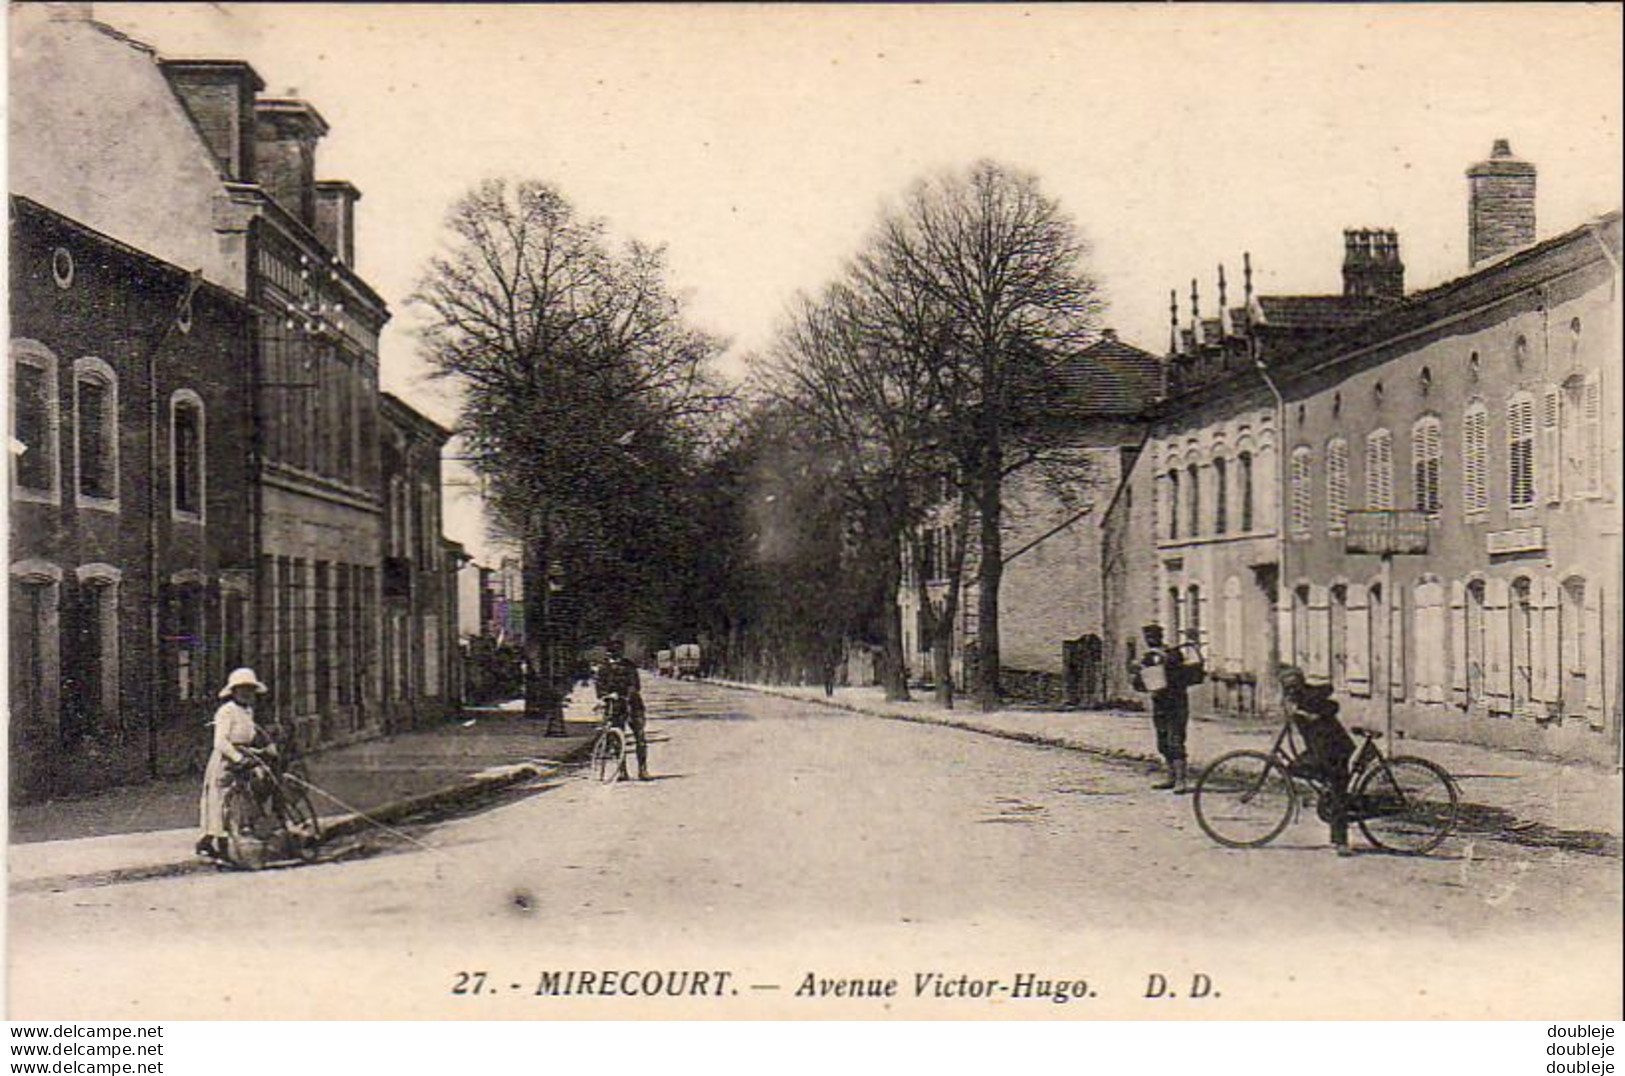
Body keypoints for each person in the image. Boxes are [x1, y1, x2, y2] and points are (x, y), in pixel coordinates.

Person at [1278, 665, 1358, 857]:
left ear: (1299, 684)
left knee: (1338, 790)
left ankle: (1341, 842)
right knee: (1297, 768)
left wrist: (1314, 713)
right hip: (1320, 749)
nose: (1290, 690)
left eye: (1292, 686)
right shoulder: (1296, 701)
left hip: (1335, 750)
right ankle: (1327, 802)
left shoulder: (1308, 697)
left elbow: (1330, 701)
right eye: (1286, 687)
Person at [197, 667, 270, 860]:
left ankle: (219, 841)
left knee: (242, 801)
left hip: (243, 759)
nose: (246, 693)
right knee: (221, 802)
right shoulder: (226, 711)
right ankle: (220, 847)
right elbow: (220, 741)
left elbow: (248, 738)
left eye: (250, 689)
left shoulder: (247, 711)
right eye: (242, 688)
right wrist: (238, 758)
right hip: (225, 761)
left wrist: (259, 751)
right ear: (234, 691)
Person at [1129, 624, 1201, 793]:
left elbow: (1182, 676)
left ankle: (1181, 780)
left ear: (1160, 637)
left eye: (1153, 637)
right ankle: (1170, 777)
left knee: (1176, 740)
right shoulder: (1148, 657)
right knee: (1162, 741)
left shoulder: (1173, 654)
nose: (1150, 640)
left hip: (1176, 703)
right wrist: (1139, 673)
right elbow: (1140, 684)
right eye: (1148, 638)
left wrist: (1166, 666)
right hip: (1160, 704)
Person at [594, 640, 650, 780]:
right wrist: (607, 695)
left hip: (633, 704)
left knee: (640, 737)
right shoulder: (603, 669)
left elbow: (635, 685)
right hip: (614, 707)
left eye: (618, 651)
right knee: (617, 739)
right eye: (612, 651)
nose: (614, 654)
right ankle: (622, 771)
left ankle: (643, 770)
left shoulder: (629, 666)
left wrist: (626, 694)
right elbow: (599, 689)